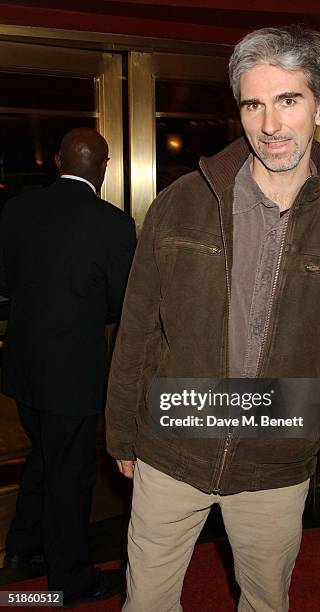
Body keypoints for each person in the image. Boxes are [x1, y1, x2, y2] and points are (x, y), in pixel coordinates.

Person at [105, 26, 320, 612]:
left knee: (266, 604)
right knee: (145, 603)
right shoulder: (181, 204)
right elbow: (137, 327)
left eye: (288, 100)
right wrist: (121, 430)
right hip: (173, 446)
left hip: (276, 462)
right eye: (254, 104)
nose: (270, 125)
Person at [0, 128, 137, 607]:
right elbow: (122, 305)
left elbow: (5, 281)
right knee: (70, 476)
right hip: (71, 376)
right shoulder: (113, 225)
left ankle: (22, 547)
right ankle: (70, 580)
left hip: (22, 369)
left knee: (44, 458)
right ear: (103, 167)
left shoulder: (15, 210)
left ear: (57, 159)